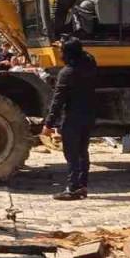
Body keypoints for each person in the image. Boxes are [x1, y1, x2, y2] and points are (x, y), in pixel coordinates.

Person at [41, 38, 99, 201]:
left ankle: (73, 188)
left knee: (72, 154)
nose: (60, 53)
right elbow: (86, 54)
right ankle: (82, 186)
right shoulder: (90, 65)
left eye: (62, 51)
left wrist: (48, 124)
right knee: (83, 152)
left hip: (73, 118)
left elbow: (58, 101)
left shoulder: (67, 73)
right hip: (88, 116)